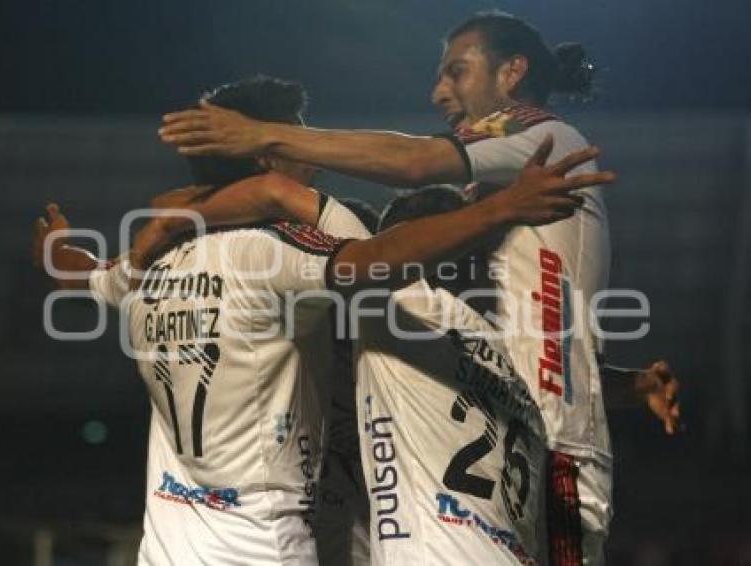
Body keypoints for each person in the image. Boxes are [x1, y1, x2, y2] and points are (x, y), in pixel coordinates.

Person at [34, 76, 611, 565]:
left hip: (166, 550)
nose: (309, 149)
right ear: (266, 156)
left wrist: (60, 247)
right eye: (297, 136)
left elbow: (75, 275)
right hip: (263, 546)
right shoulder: (270, 251)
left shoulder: (144, 267)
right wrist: (503, 208)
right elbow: (373, 259)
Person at [158, 11, 620, 564]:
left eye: (456, 72)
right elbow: (515, 330)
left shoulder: (541, 138)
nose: (439, 92)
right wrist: (618, 381)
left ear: (512, 73)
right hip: (519, 444)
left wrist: (268, 138)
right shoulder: (504, 195)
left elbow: (417, 162)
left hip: (553, 443)